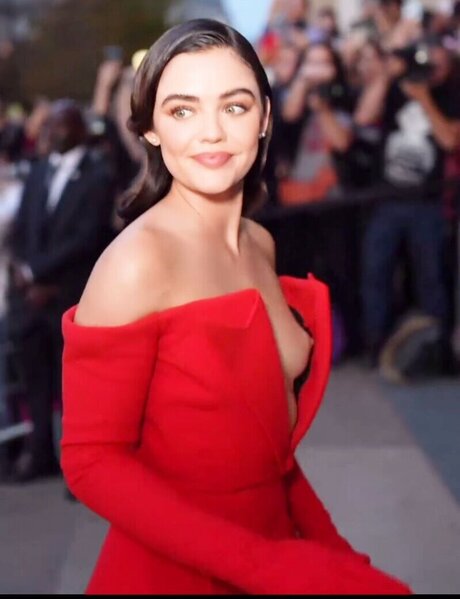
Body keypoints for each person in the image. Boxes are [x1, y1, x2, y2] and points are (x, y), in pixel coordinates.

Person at [60, 19, 412, 595]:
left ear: (265, 117)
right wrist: (270, 567)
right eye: (182, 110)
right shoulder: (136, 263)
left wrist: (338, 557)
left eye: (234, 106)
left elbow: (271, 459)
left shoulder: (259, 243)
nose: (212, 133)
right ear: (149, 128)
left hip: (272, 552)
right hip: (175, 573)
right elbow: (91, 461)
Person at [6, 99, 115, 483]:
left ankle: (80, 466)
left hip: (70, 294)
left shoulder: (98, 175)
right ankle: (40, 453)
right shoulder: (38, 172)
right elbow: (23, 227)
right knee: (35, 379)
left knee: (74, 386)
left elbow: (87, 238)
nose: (51, 132)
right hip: (31, 299)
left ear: (78, 129)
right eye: (49, 125)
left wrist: (41, 274)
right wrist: (25, 274)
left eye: (61, 124)